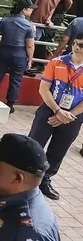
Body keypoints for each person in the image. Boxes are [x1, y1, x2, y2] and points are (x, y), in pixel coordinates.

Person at [27, 32, 83, 201]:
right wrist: (58, 112)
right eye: (77, 44)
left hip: (73, 116)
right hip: (49, 109)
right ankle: (26, 176)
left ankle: (45, 179)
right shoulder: (56, 63)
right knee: (33, 145)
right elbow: (43, 89)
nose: (79, 48)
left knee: (58, 150)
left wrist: (68, 116)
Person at [0, 0, 37, 113]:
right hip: (19, 54)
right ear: (24, 10)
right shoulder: (28, 25)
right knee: (15, 80)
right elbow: (30, 45)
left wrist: (2, 42)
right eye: (30, 9)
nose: (32, 11)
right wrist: (30, 60)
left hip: (4, 51)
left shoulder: (5, 21)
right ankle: (10, 104)